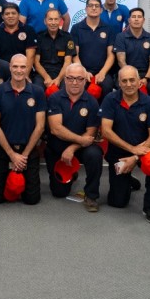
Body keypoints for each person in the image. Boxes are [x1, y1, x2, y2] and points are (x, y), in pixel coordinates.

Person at [99, 66, 150, 223]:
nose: (128, 84)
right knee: (117, 202)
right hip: (119, 153)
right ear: (119, 83)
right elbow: (106, 131)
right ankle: (129, 180)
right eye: (124, 81)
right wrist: (131, 149)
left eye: (132, 80)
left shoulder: (149, 103)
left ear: (140, 82)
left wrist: (135, 156)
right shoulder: (110, 99)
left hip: (143, 152)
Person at [0, 54, 46, 205]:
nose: (19, 70)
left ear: (28, 69)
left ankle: (17, 174)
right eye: (15, 66)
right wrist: (12, 155)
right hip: (4, 149)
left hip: (28, 150)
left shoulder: (38, 92)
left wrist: (23, 156)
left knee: (32, 200)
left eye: (23, 67)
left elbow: (40, 126)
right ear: (9, 68)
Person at [45, 64, 103, 211]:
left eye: (79, 79)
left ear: (85, 80)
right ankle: (72, 174)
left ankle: (91, 195)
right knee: (59, 192)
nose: (75, 82)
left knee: (95, 153)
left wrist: (72, 148)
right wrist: (80, 140)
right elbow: (55, 129)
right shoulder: (54, 98)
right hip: (57, 147)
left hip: (80, 148)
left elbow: (90, 133)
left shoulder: (92, 102)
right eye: (70, 78)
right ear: (65, 79)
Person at [70, 0, 116, 97]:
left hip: (103, 71)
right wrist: (83, 71)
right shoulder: (76, 28)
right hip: (82, 70)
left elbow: (111, 55)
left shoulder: (109, 29)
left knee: (107, 86)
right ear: (86, 9)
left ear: (101, 10)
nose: (94, 8)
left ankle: (103, 112)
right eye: (90, 6)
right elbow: (74, 54)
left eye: (96, 6)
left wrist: (103, 72)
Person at [113, 8, 150, 96]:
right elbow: (121, 61)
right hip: (126, 73)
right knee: (123, 86)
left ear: (143, 20)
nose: (136, 19)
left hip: (146, 74)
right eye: (133, 17)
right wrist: (134, 78)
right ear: (129, 20)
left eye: (139, 17)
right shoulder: (120, 37)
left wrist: (146, 78)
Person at [34, 8, 76, 90]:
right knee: (37, 89)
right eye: (50, 19)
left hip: (62, 74)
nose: (53, 23)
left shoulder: (67, 37)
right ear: (45, 21)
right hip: (42, 74)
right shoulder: (38, 37)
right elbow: (36, 62)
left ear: (60, 21)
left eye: (56, 19)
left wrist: (59, 79)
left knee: (66, 89)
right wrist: (46, 77)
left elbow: (68, 61)